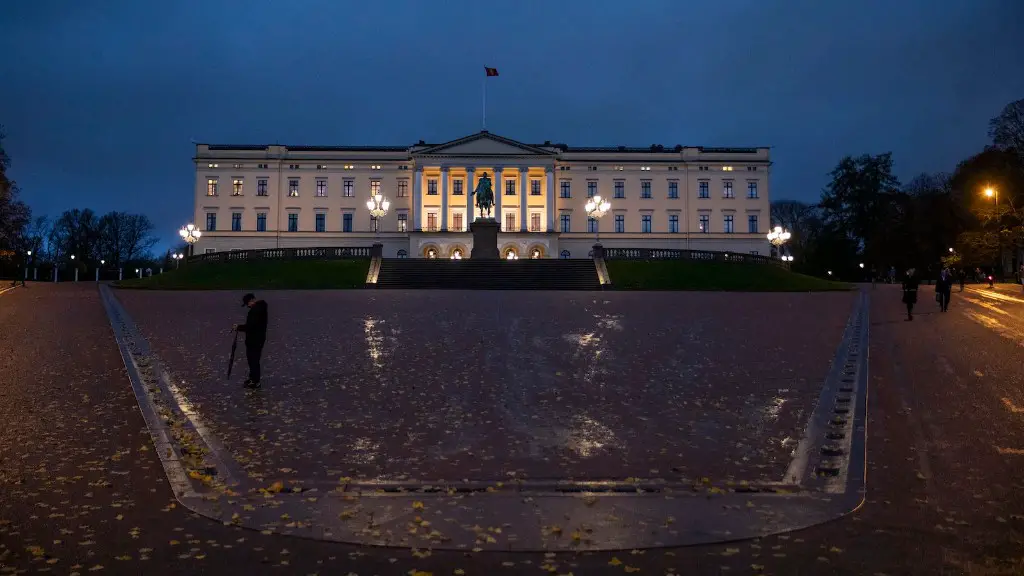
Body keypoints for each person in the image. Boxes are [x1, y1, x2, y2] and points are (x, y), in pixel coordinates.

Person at [233, 293, 268, 389]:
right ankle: (253, 378)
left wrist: (239, 327)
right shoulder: (260, 308)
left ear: (252, 300)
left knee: (253, 360)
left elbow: (251, 326)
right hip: (257, 339)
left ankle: (255, 381)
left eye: (247, 303)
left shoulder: (256, 310)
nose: (247, 306)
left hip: (255, 340)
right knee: (252, 360)